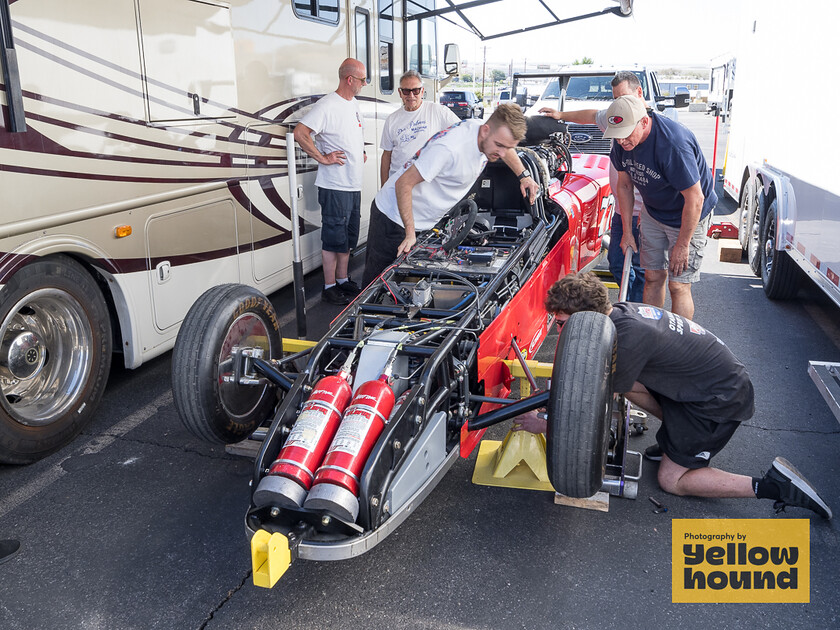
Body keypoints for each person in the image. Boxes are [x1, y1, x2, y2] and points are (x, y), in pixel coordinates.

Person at [516, 271, 831, 519]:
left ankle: (774, 486)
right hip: (707, 387)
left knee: (672, 481)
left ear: (585, 316)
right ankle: (675, 437)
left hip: (719, 403)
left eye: (560, 323)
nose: (558, 330)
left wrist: (544, 424)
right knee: (626, 383)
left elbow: (591, 404)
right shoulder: (620, 316)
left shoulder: (628, 337)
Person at [363, 104, 539, 286]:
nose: (502, 153)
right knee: (376, 286)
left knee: (411, 285)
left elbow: (507, 148)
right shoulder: (449, 148)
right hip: (393, 218)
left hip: (422, 222)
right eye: (499, 146)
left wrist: (524, 176)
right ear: (485, 131)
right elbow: (403, 184)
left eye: (507, 147)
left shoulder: (488, 132)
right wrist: (409, 233)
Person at [603, 95, 717, 320]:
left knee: (678, 285)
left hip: (687, 214)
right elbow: (624, 186)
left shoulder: (672, 144)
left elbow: (695, 199)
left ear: (644, 122)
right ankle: (652, 335)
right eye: (617, 136)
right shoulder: (622, 142)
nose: (621, 142)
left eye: (626, 134)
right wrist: (627, 232)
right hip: (653, 212)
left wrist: (683, 244)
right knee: (653, 277)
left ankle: (679, 345)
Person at [539, 71, 645, 301]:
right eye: (615, 98)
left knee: (643, 272)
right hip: (621, 210)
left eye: (623, 96)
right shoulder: (616, 114)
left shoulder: (646, 127)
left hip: (645, 213)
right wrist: (561, 114)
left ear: (639, 93)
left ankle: (638, 315)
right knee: (618, 264)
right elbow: (591, 115)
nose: (619, 103)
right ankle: (631, 307)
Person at [294, 58, 367, 305]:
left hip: (353, 184)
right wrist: (322, 158)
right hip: (335, 185)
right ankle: (329, 286)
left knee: (347, 238)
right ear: (350, 79)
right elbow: (300, 133)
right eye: (362, 79)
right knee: (333, 237)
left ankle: (343, 280)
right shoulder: (328, 105)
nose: (364, 84)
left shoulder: (354, 103)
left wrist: (360, 151)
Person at [380, 70, 459, 183]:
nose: (411, 95)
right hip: (397, 182)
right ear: (400, 92)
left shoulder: (439, 111)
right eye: (406, 91)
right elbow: (386, 155)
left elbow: (461, 132)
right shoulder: (392, 119)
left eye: (416, 91)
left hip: (426, 184)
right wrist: (383, 186)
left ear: (422, 91)